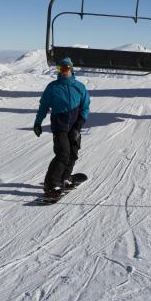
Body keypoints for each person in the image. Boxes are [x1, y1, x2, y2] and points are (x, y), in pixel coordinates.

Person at [33, 57, 90, 198]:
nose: (63, 72)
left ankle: (65, 177)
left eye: (66, 69)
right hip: (59, 125)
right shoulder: (53, 87)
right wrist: (38, 122)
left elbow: (85, 107)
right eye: (61, 69)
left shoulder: (80, 87)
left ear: (71, 69)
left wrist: (79, 125)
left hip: (75, 126)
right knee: (63, 153)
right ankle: (51, 184)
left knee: (73, 153)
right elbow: (44, 106)